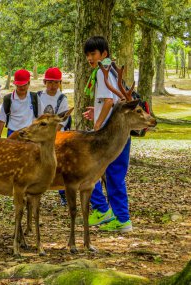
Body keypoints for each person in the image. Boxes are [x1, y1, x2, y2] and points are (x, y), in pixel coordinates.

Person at [82, 35, 133, 232]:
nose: (89, 58)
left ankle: (111, 214)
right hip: (119, 132)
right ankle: (119, 216)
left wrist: (98, 126)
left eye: (93, 53)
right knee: (114, 174)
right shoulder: (109, 71)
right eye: (87, 54)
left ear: (104, 54)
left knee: (92, 170)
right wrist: (97, 112)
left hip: (110, 135)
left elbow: (110, 102)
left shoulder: (103, 72)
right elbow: (111, 102)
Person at [38, 67, 71, 206]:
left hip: (56, 135)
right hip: (40, 134)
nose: (52, 86)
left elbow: (63, 119)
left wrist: (52, 136)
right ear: (45, 82)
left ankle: (63, 194)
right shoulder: (38, 96)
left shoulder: (62, 98)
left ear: (60, 83)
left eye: (56, 83)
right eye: (50, 82)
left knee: (60, 164)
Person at [0, 69, 41, 138]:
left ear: (28, 83)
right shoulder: (8, 99)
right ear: (15, 84)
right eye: (19, 85)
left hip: (29, 134)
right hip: (12, 133)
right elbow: (2, 119)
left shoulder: (35, 97)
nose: (22, 87)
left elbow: (41, 116)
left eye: (24, 85)